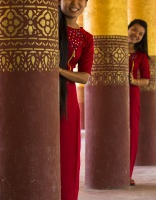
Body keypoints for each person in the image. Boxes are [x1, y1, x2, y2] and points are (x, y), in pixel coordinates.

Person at [58, 0, 94, 199]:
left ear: (86, 3)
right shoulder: (46, 26)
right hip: (40, 92)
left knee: (68, 152)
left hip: (68, 98)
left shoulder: (86, 38)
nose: (75, 3)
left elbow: (84, 77)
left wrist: (59, 71)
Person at [128, 19, 150, 186]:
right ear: (128, 29)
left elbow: (146, 80)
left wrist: (134, 81)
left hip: (132, 93)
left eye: (140, 34)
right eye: (134, 30)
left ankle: (127, 172)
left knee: (132, 130)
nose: (136, 35)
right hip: (111, 92)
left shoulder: (141, 56)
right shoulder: (115, 48)